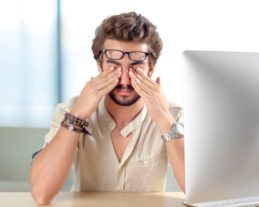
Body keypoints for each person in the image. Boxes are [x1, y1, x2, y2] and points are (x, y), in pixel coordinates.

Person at [30, 12, 185, 206]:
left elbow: (197, 189)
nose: (125, 79)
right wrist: (77, 116)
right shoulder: (70, 110)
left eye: (136, 67)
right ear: (100, 66)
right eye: (114, 66)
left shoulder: (173, 116)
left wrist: (164, 119)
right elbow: (41, 194)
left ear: (151, 69)